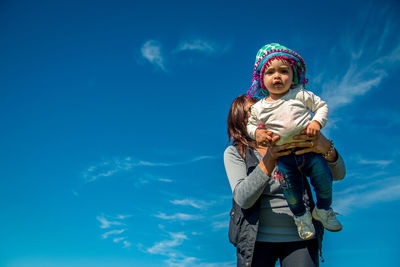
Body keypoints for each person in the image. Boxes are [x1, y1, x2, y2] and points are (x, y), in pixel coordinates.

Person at [224, 95, 346, 267]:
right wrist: (270, 158)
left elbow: (339, 173)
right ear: (240, 121)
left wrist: (326, 148)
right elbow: (243, 198)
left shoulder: (295, 140)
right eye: (249, 112)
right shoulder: (235, 153)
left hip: (301, 235)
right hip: (256, 240)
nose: (256, 116)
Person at [246, 43, 341, 240]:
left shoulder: (300, 94)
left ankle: (323, 209)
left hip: (310, 151)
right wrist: (258, 134)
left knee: (324, 178)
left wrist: (316, 121)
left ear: (294, 75)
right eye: (270, 72)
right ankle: (301, 217)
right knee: (291, 190)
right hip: (283, 158)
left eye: (283, 71)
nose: (277, 76)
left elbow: (321, 106)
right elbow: (250, 125)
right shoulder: (260, 107)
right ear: (262, 80)